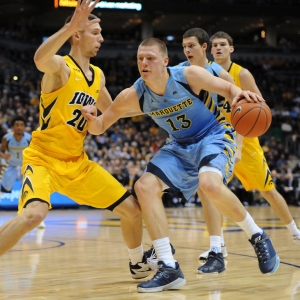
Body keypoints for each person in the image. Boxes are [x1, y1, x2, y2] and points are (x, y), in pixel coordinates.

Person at [81, 37, 280, 293]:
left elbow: (229, 89)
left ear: (165, 61)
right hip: (179, 145)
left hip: (213, 136)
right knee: (143, 187)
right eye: (140, 58)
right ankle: (169, 266)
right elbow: (99, 127)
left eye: (150, 58)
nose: (144, 63)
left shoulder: (188, 75)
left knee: (209, 183)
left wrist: (239, 96)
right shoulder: (133, 95)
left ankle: (257, 236)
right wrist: (90, 118)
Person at [0, 0, 153, 281]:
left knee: (132, 209)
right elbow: (38, 60)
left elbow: (114, 112)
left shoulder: (98, 76)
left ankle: (137, 263)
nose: (102, 38)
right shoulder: (61, 67)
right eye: (95, 32)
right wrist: (70, 24)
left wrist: (158, 101)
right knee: (33, 215)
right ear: (77, 36)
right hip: (43, 159)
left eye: (100, 32)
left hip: (77, 163)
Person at [192, 30, 300, 269]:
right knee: (208, 188)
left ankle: (295, 232)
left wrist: (239, 145)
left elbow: (256, 108)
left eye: (223, 45)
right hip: (218, 140)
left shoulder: (242, 74)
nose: (218, 48)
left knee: (268, 191)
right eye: (215, 45)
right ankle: (217, 246)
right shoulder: (203, 73)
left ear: (231, 49)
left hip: (246, 142)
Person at [0, 116, 46, 229]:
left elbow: (36, 152)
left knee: (31, 192)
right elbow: (2, 151)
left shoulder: (29, 138)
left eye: (21, 125)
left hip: (25, 166)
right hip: (9, 165)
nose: (19, 127)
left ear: (25, 127)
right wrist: (3, 156)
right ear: (12, 127)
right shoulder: (7, 138)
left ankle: (39, 220)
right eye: (17, 125)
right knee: (1, 189)